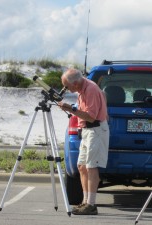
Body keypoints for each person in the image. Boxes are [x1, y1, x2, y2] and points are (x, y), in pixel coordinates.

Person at [59, 68, 109, 215]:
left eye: (67, 86)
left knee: (92, 166)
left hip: (96, 130)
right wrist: (71, 109)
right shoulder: (82, 89)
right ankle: (85, 201)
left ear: (75, 83)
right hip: (87, 130)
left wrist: (71, 109)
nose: (65, 89)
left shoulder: (91, 90)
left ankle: (91, 204)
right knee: (82, 166)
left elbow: (91, 117)